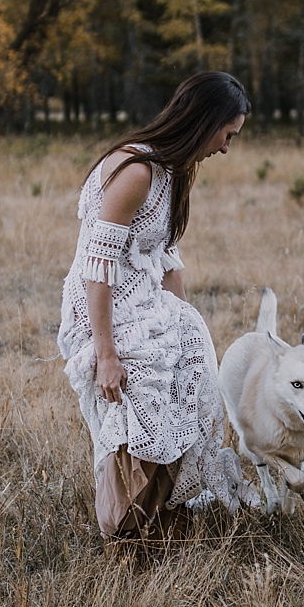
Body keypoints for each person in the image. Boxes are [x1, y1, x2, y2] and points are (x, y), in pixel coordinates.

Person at [58, 71, 251, 542]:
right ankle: (124, 520)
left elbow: (166, 257)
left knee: (193, 366)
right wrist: (106, 355)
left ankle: (162, 510)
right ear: (205, 122)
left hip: (145, 304)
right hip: (102, 311)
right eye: (228, 135)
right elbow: (96, 268)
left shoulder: (171, 173)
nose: (226, 148)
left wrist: (182, 330)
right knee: (143, 390)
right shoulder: (136, 171)